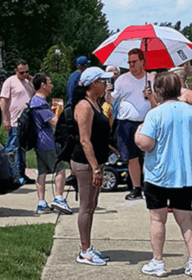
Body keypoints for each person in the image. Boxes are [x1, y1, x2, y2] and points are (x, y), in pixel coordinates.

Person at [135, 72, 192, 278]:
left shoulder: (155, 114)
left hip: (158, 175)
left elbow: (146, 144)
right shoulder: (190, 112)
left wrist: (137, 134)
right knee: (185, 219)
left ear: (158, 91)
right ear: (178, 89)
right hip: (184, 175)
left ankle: (158, 262)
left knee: (157, 219)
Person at [71, 67, 119, 266]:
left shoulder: (97, 104)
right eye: (103, 81)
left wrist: (109, 148)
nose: (106, 84)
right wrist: (96, 169)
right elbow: (84, 140)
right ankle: (84, 250)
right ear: (93, 84)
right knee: (86, 206)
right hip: (85, 163)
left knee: (92, 206)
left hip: (96, 161)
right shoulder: (84, 106)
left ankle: (88, 246)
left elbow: (95, 135)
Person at [105, 48, 157, 200]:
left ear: (142, 61)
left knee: (149, 157)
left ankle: (150, 186)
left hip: (147, 122)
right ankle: (136, 188)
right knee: (132, 157)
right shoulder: (122, 80)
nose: (131, 65)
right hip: (126, 123)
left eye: (134, 62)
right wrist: (108, 93)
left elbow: (157, 103)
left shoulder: (151, 79)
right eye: (129, 62)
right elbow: (112, 101)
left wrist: (150, 95)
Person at [31, 73, 73, 215]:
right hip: (47, 141)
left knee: (42, 172)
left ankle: (41, 203)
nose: (52, 85)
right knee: (60, 168)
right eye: (49, 82)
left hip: (38, 142)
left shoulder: (34, 101)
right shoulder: (40, 103)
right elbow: (54, 122)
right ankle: (59, 198)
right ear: (43, 85)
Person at [0, 59, 35, 184]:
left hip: (26, 122)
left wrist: (32, 83)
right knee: (12, 148)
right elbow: (3, 101)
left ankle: (21, 174)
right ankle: (11, 175)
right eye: (21, 72)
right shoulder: (10, 81)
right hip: (14, 121)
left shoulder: (28, 83)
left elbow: (35, 97)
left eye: (26, 72)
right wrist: (6, 119)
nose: (24, 74)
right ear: (16, 71)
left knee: (22, 149)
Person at [65, 56, 90, 186]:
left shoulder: (71, 76)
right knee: (79, 139)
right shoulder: (80, 77)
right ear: (84, 66)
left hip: (69, 107)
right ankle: (75, 173)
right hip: (76, 108)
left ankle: (73, 171)